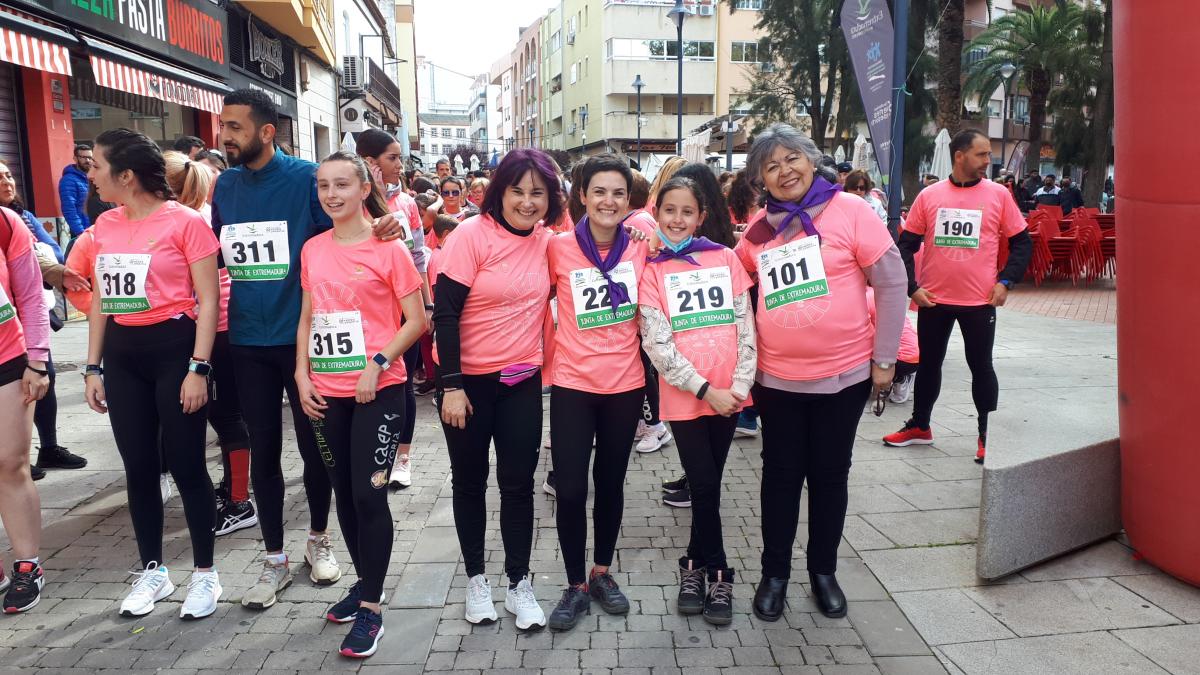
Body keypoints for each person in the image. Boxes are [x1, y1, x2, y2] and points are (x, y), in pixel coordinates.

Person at [212, 88, 404, 609]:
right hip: (248, 339)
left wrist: (393, 224)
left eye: (233, 126)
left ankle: (318, 540)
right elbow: (221, 255)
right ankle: (273, 558)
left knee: (318, 455)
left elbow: (353, 229)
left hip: (311, 348)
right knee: (263, 451)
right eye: (222, 125)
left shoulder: (305, 180)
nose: (223, 135)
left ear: (265, 131)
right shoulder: (224, 186)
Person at [734, 123, 906, 621]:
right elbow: (735, 279)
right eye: (771, 165)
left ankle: (823, 572)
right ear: (760, 179)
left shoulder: (850, 211)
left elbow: (892, 279)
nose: (784, 171)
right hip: (777, 380)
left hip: (844, 377)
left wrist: (885, 358)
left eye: (792, 158)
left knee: (830, 475)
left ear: (811, 159)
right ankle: (775, 574)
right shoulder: (761, 228)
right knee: (780, 478)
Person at [82, 128, 223, 619]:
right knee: (139, 468)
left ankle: (206, 574)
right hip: (123, 353)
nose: (90, 173)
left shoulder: (185, 223)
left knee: (186, 464)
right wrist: (92, 365)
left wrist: (198, 368)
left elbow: (209, 300)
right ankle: (154, 572)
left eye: (97, 165)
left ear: (126, 175)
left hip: (175, 349)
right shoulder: (105, 224)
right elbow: (102, 298)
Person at [295, 151, 426, 658]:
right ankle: (365, 582)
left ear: (363, 186)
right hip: (325, 391)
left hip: (378, 388)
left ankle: (371, 607)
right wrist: (301, 375)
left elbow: (415, 320)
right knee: (344, 495)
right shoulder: (312, 248)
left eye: (342, 185)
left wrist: (377, 362)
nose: (331, 194)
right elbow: (308, 317)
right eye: (324, 185)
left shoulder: (388, 245)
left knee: (370, 496)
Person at [432, 148, 560, 629]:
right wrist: (451, 385)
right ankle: (475, 580)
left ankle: (518, 581)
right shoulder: (471, 236)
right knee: (469, 483)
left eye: (537, 193)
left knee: (518, 486)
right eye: (517, 191)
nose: (527, 202)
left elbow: (600, 250)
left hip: (521, 381)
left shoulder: (549, 242)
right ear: (499, 191)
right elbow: (444, 312)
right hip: (468, 386)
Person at [639, 176, 756, 625]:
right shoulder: (652, 270)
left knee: (707, 485)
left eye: (687, 212)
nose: (677, 219)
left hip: (730, 396)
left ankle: (692, 562)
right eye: (669, 210)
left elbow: (745, 324)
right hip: (688, 398)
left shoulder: (724, 258)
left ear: (701, 216)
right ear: (658, 212)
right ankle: (721, 570)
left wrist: (740, 388)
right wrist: (708, 390)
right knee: (704, 484)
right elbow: (658, 344)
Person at [884, 128, 1033, 464]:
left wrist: (1006, 281)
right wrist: (912, 288)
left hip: (980, 301)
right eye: (981, 155)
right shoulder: (930, 195)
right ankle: (920, 426)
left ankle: (986, 435)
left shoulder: (998, 195)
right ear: (959, 155)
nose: (987, 161)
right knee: (930, 364)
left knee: (981, 366)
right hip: (934, 300)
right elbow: (904, 247)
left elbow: (1023, 242)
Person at [544, 154, 647, 631]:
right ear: (582, 196)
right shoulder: (557, 247)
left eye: (618, 193)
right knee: (569, 488)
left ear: (629, 200)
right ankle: (573, 584)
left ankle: (601, 572)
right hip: (571, 385)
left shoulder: (641, 246)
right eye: (599, 191)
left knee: (610, 482)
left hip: (625, 385)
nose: (609, 201)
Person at [162, 150, 257, 536]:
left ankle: (239, 501)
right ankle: (233, 492)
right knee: (226, 415)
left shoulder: (189, 222)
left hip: (214, 331)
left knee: (226, 416)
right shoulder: (199, 216)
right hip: (216, 329)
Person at [354, 128, 431, 490]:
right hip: (363, 314)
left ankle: (402, 457)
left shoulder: (408, 204)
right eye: (392, 158)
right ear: (369, 161)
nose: (399, 165)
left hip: (404, 311)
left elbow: (419, 258)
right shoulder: (349, 199)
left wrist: (427, 305)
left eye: (400, 157)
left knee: (403, 386)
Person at [0, 158, 86, 475]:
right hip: (9, 327)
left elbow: (49, 251)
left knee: (40, 377)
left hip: (26, 319)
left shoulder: (20, 219)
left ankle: (44, 448)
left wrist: (58, 270)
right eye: (0, 178)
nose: (7, 181)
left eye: (9, 174)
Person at [0, 201, 52, 613]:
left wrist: (37, 360)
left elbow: (32, 294)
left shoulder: (6, 222)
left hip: (8, 359)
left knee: (10, 462)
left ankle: (27, 565)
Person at [59, 144, 93, 237]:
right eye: (84, 157)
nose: (88, 161)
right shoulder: (68, 180)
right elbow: (69, 208)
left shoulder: (93, 177)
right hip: (83, 231)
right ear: (75, 158)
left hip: (96, 229)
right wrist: (80, 232)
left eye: (90, 157)